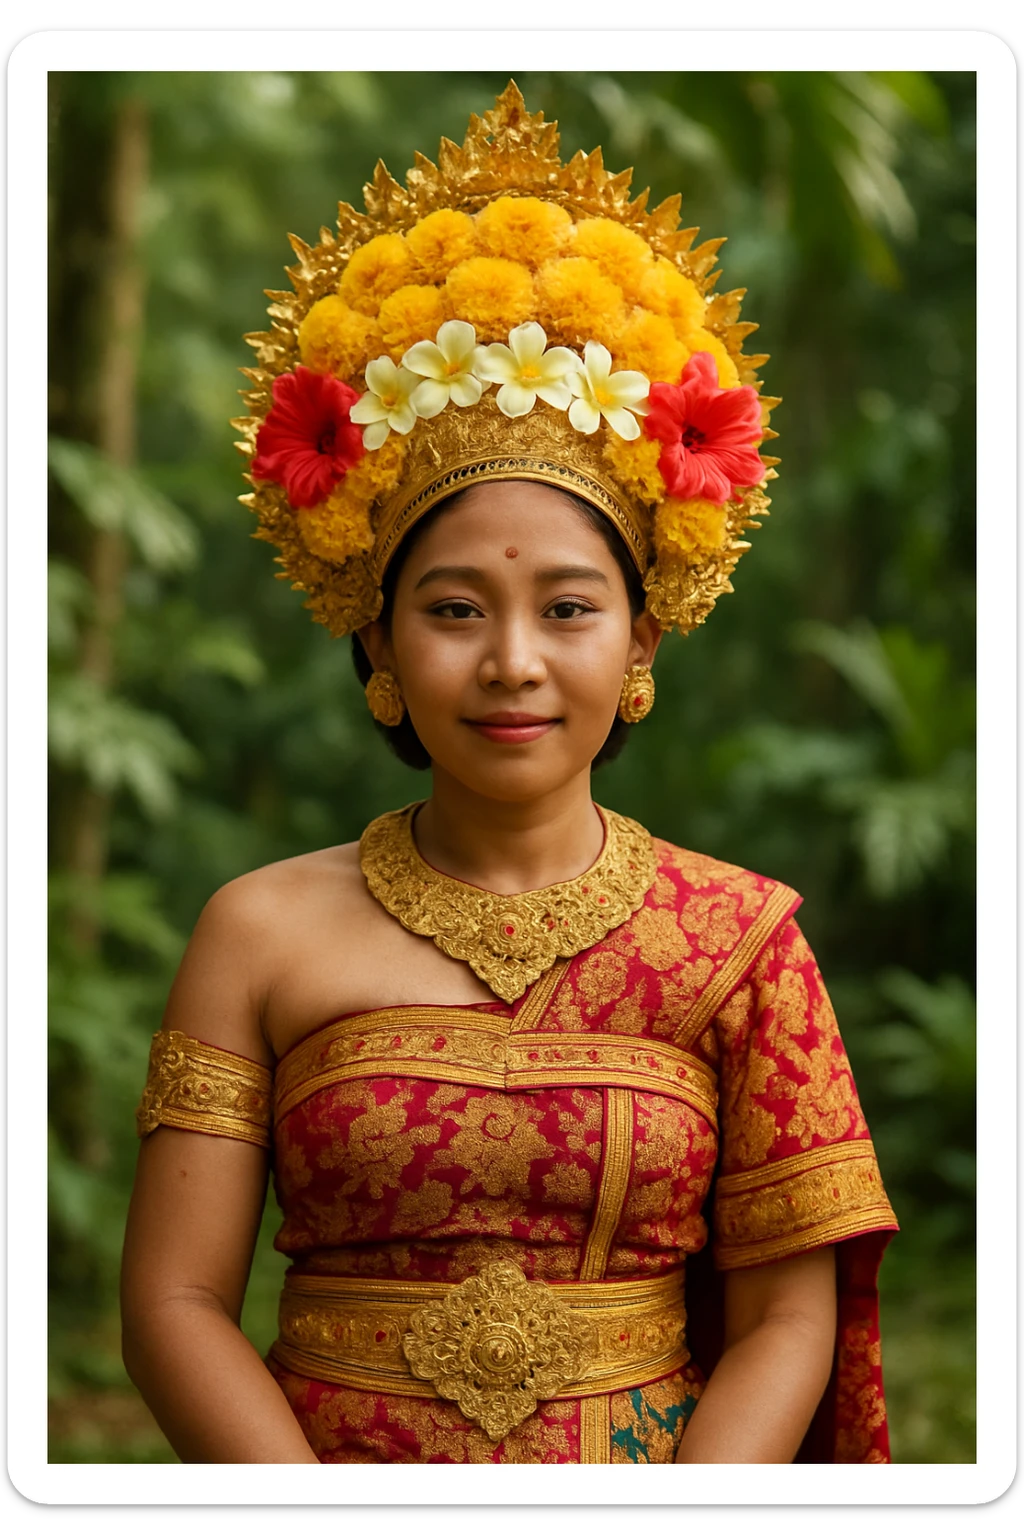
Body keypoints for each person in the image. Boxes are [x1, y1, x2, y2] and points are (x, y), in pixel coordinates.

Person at [121, 85, 898, 1466]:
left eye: (568, 609)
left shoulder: (745, 945)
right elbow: (176, 1302)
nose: (514, 663)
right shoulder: (256, 933)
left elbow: (789, 1319)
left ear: (643, 636)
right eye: (457, 609)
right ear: (379, 635)